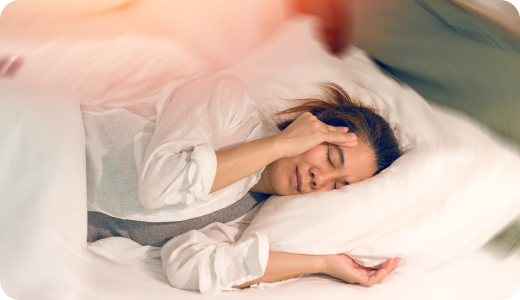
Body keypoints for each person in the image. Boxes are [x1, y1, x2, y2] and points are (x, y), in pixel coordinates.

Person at [86, 73, 401, 295]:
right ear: (313, 126)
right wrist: (280, 145)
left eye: (337, 186)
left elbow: (188, 266)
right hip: (56, 148)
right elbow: (161, 184)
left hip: (54, 218)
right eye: (331, 159)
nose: (321, 179)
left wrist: (323, 263)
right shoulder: (228, 103)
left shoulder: (247, 215)